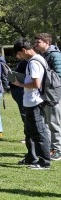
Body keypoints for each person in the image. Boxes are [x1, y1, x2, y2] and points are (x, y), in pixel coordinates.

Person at [10, 39, 52, 169]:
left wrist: (19, 84)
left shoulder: (34, 62)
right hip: (30, 101)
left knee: (39, 132)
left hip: (35, 101)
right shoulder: (35, 60)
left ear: (23, 50)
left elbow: (36, 84)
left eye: (19, 54)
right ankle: (31, 157)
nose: (19, 57)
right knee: (29, 132)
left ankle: (44, 161)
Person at [33, 33, 61, 161]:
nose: (36, 44)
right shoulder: (41, 56)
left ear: (47, 42)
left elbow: (58, 76)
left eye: (38, 42)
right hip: (44, 93)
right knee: (46, 123)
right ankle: (49, 148)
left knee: (54, 122)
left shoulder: (55, 55)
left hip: (53, 94)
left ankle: (57, 150)